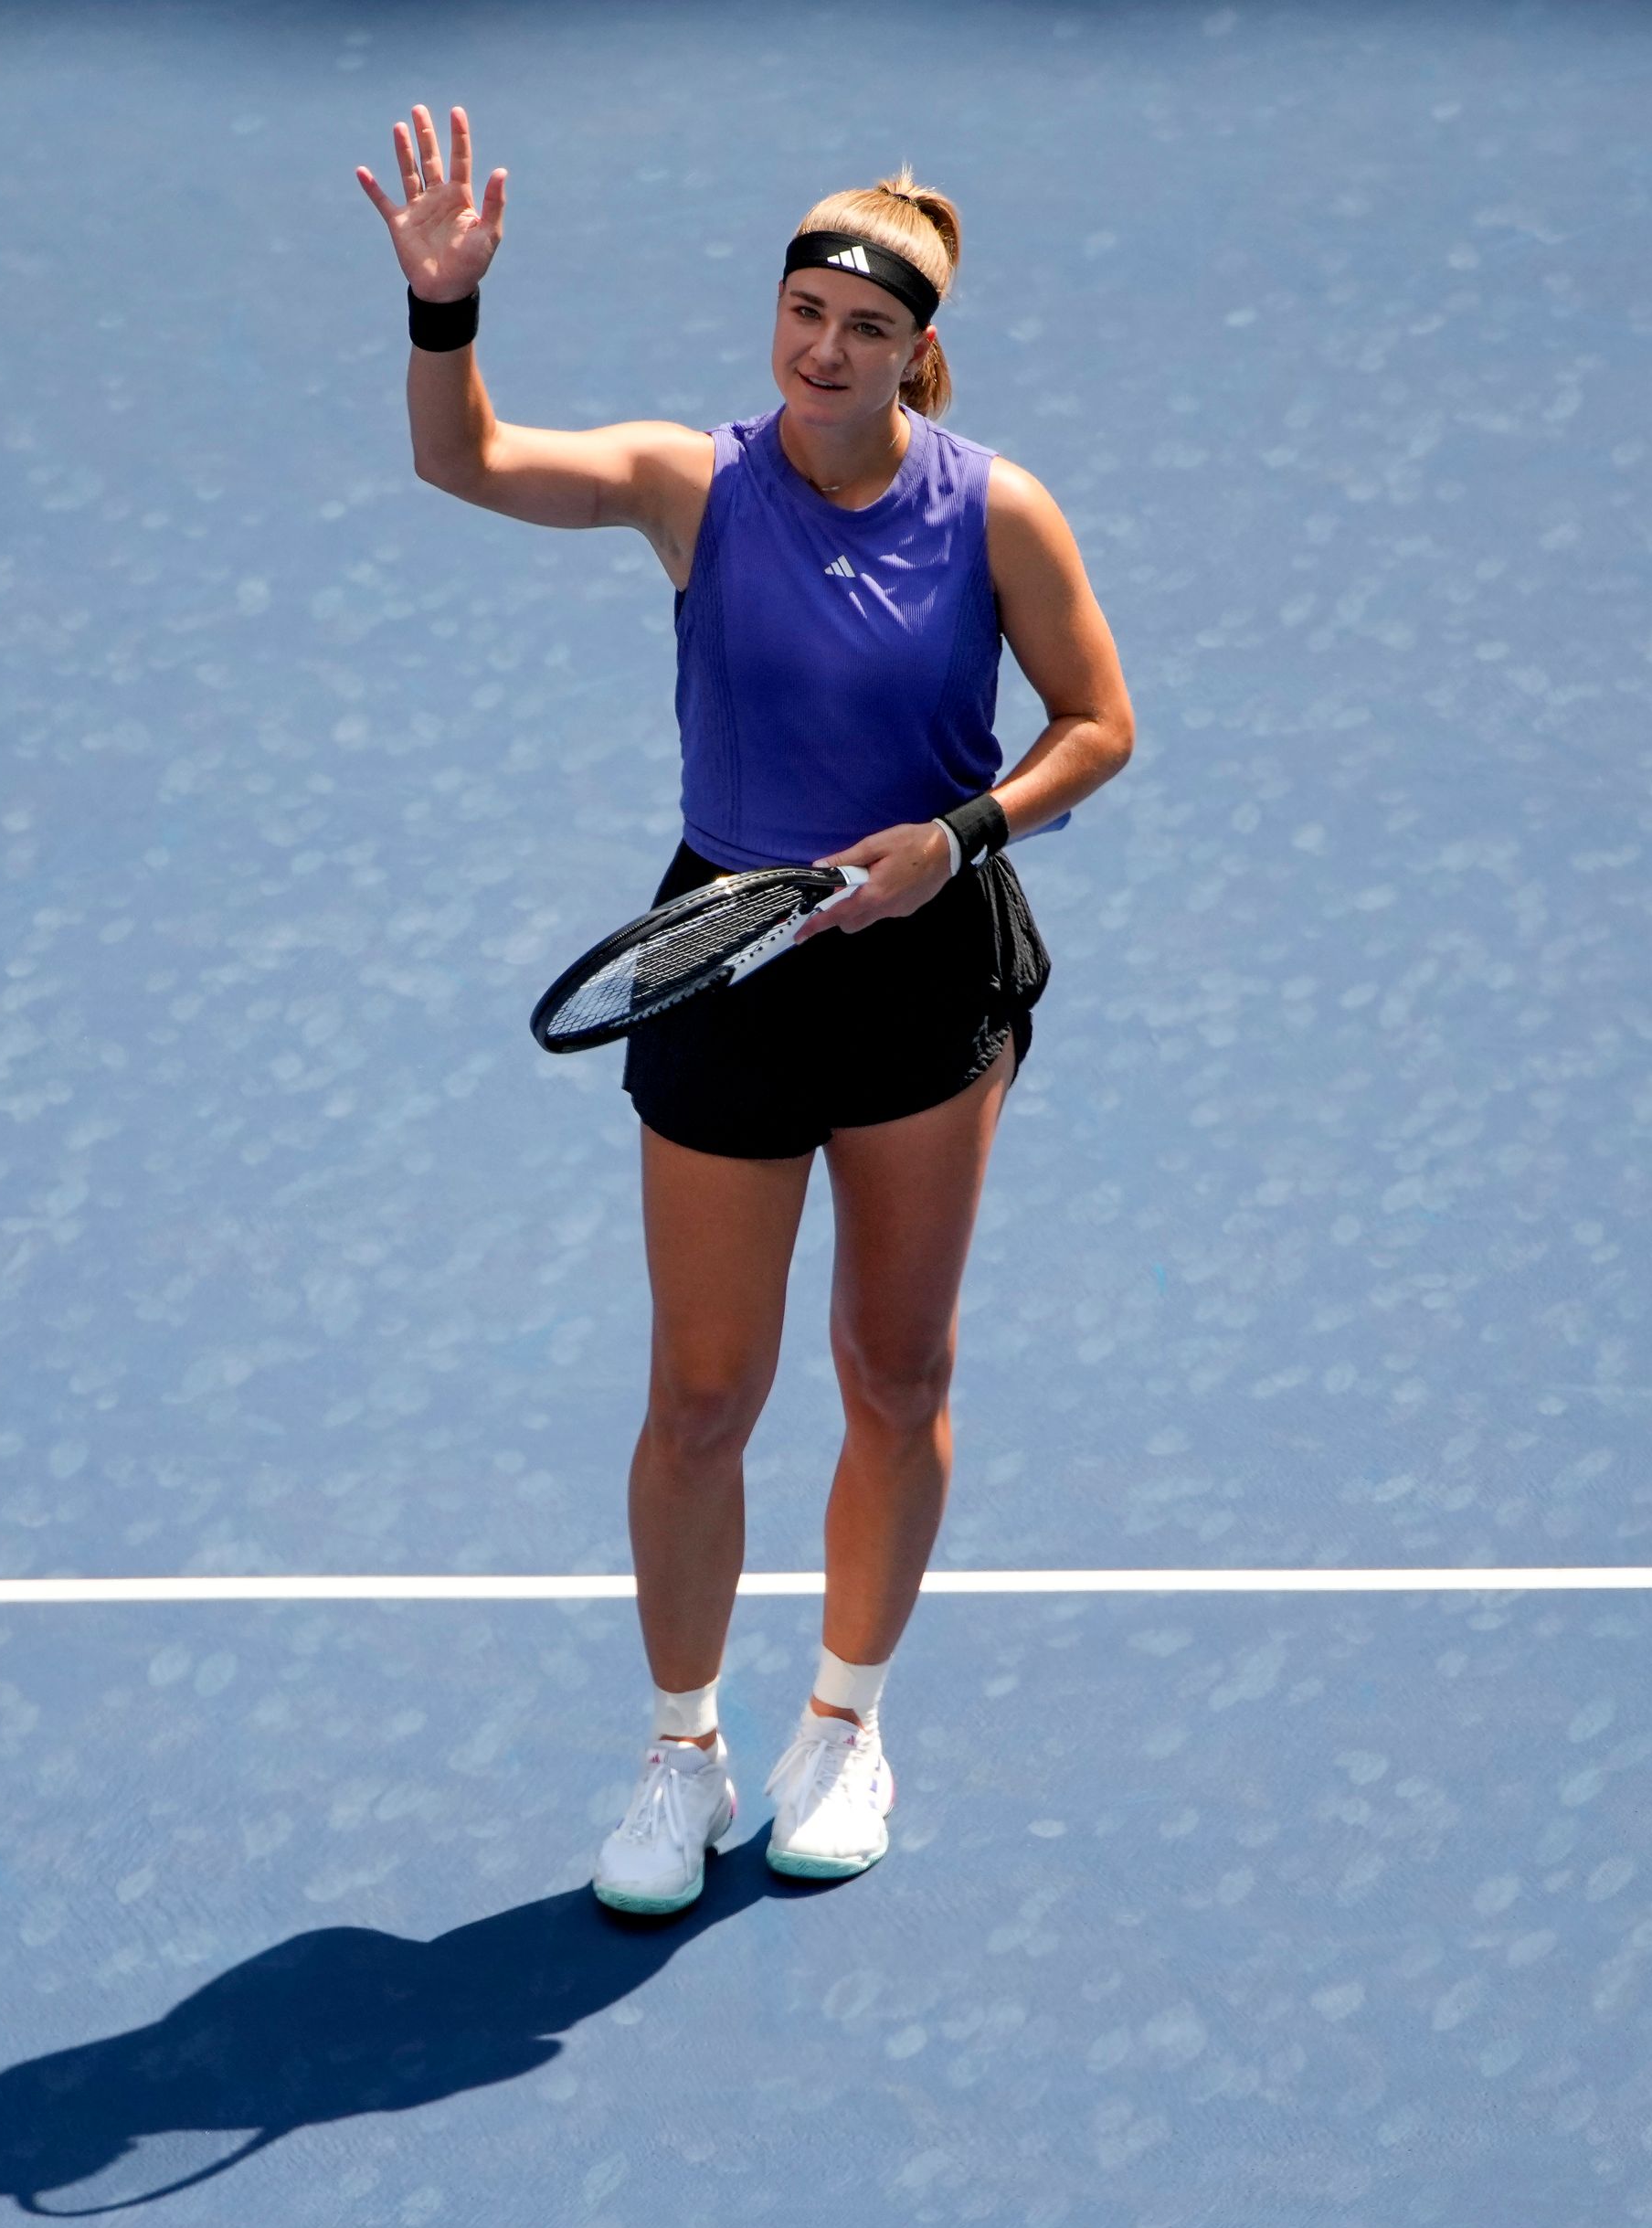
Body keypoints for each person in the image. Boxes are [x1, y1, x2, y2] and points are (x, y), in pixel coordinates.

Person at [355, 106, 1136, 1915]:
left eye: (862, 329)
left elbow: (1100, 725)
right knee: (704, 1395)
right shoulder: (687, 482)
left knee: (899, 1368)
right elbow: (460, 461)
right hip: (727, 956)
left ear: (914, 351)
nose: (823, 349)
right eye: (801, 312)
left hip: (927, 963)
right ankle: (683, 1755)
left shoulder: (994, 507)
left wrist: (959, 837)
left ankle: (845, 1723)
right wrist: (443, 312)